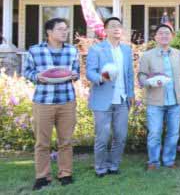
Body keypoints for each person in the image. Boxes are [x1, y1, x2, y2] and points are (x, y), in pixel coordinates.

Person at [24, 18, 80, 190]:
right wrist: (36, 77)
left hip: (67, 101)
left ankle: (65, 173)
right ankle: (42, 177)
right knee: (42, 143)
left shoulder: (72, 50)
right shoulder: (35, 50)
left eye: (66, 29)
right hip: (43, 102)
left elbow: (76, 72)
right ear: (49, 32)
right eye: (61, 29)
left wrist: (74, 75)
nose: (65, 32)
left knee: (66, 141)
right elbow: (27, 71)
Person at [86, 17, 135, 177]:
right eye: (113, 26)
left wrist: (131, 94)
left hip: (121, 99)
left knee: (120, 136)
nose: (116, 29)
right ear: (105, 30)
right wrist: (101, 78)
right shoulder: (97, 49)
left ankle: (114, 165)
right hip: (103, 98)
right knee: (103, 136)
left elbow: (129, 74)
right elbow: (90, 72)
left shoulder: (127, 50)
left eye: (119, 26)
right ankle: (100, 167)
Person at [138, 24, 180, 170]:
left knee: (173, 133)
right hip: (155, 101)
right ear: (156, 37)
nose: (164, 35)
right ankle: (153, 161)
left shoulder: (178, 54)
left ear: (172, 36)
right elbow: (141, 75)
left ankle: (169, 161)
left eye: (167, 33)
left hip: (175, 101)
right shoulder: (148, 55)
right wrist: (148, 82)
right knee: (155, 133)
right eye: (161, 33)